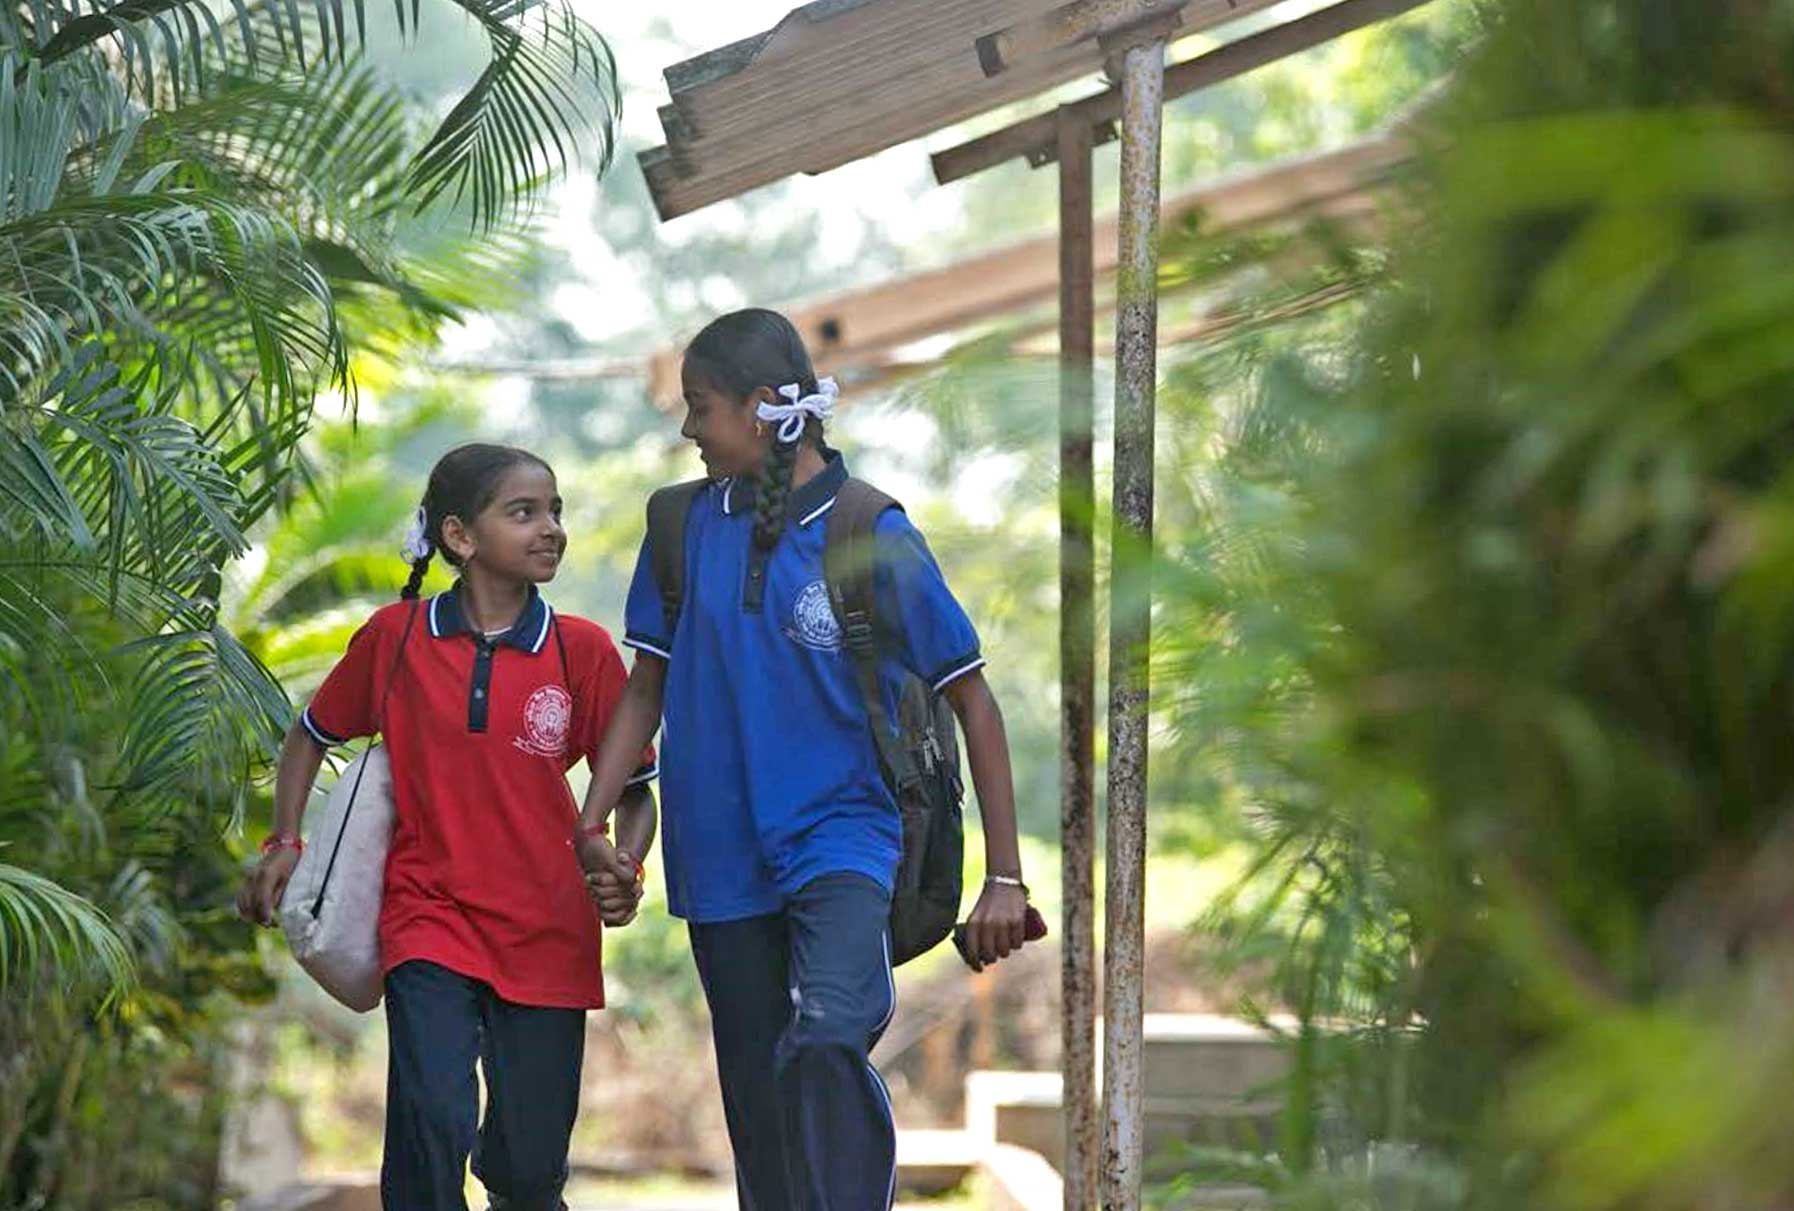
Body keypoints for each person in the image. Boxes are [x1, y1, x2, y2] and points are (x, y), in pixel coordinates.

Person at [573, 309, 1033, 1210]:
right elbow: (644, 688)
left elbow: (972, 698)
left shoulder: (872, 531)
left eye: (698, 407)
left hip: (844, 839)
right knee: (756, 1092)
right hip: (718, 854)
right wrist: (591, 820)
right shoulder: (680, 527)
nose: (687, 430)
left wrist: (1006, 875)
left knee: (827, 1034)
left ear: (760, 409)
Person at [237, 443, 657, 1211]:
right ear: (460, 537)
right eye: (525, 512)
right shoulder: (395, 638)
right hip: (429, 916)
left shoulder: (583, 650)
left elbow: (634, 793)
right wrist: (284, 842)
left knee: (530, 1173)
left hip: (549, 929)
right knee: (431, 1120)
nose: (551, 529)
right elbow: (310, 732)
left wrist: (624, 865)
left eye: (555, 510)